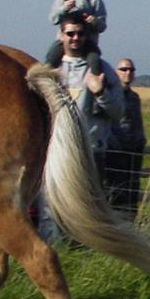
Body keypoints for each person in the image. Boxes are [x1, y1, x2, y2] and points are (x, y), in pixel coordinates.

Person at [54, 11, 125, 178]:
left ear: (87, 36)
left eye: (80, 33)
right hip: (57, 153)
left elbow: (119, 112)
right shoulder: (50, 70)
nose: (75, 38)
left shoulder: (102, 70)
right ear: (61, 35)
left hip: (92, 153)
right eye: (70, 33)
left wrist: (100, 93)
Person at [45, 0, 107, 72]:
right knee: (51, 56)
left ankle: (97, 83)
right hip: (64, 41)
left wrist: (94, 21)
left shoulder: (96, 1)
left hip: (87, 42)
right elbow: (53, 19)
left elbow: (102, 26)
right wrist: (64, 9)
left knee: (94, 60)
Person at [106, 58, 147, 217]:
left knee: (132, 189)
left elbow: (138, 121)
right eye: (123, 69)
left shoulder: (134, 97)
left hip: (134, 153)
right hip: (116, 152)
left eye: (131, 70)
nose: (128, 73)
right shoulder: (111, 95)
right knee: (115, 191)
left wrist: (141, 140)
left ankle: (130, 222)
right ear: (116, 72)